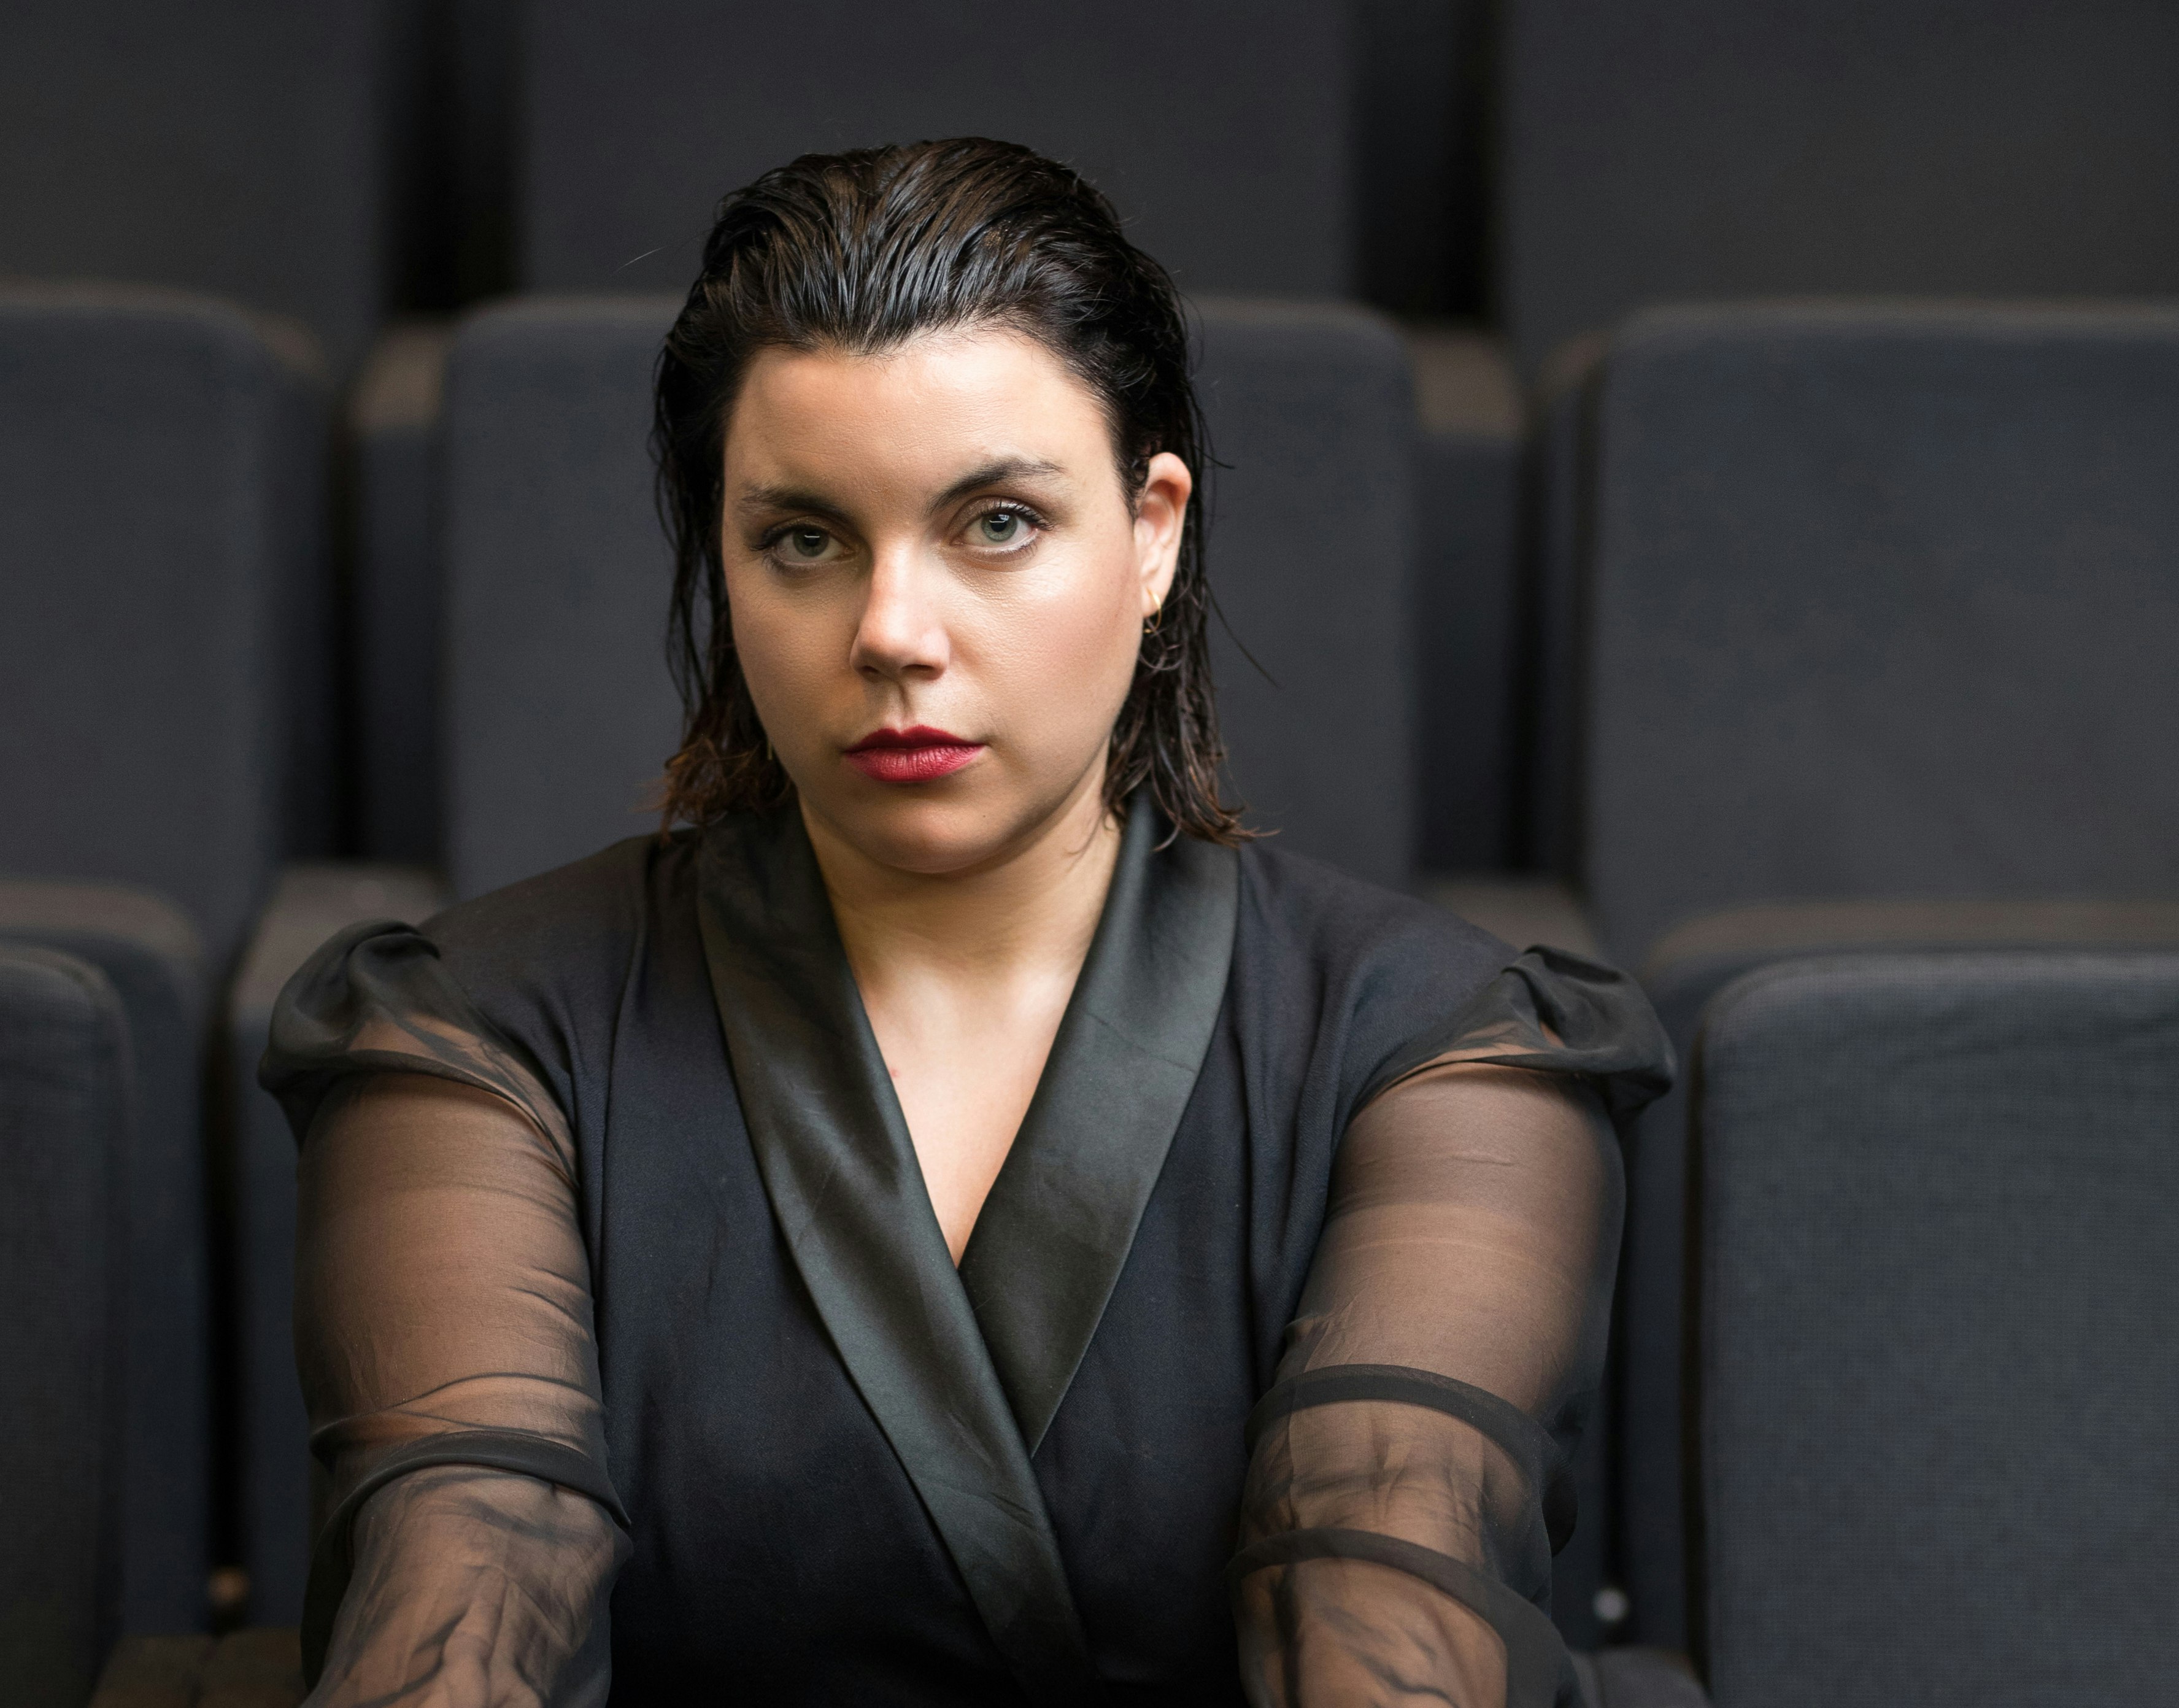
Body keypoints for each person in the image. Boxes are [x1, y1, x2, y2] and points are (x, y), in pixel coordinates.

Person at [263, 137, 1670, 1707]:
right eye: (804, 539)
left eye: (996, 523)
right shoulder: (472, 1030)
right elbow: (467, 1587)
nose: (892, 634)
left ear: (1153, 531)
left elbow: (1385, 1580)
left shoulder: (1442, 1046)